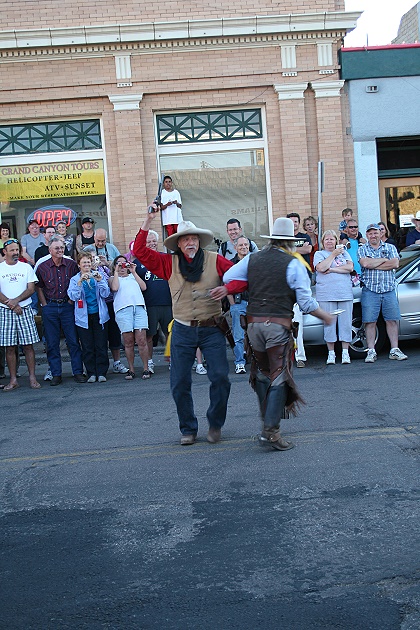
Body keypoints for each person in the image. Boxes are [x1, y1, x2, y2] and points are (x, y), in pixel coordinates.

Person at [133, 210, 246, 445]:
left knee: (220, 378)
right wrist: (148, 220)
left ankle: (215, 423)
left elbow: (242, 276)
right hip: (183, 330)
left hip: (212, 327)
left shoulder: (216, 259)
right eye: (185, 239)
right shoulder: (168, 263)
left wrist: (228, 289)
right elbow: (140, 251)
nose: (190, 242)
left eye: (193, 238)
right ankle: (188, 428)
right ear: (179, 244)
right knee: (179, 382)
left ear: (198, 241)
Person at [223, 217, 333, 451]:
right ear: (290, 243)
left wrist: (252, 283)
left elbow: (228, 278)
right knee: (279, 375)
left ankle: (268, 425)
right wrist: (325, 316)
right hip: (277, 326)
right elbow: (305, 302)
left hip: (253, 325)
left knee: (262, 374)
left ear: (272, 240)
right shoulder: (293, 264)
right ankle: (270, 432)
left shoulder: (253, 258)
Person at [36, 236, 87, 385]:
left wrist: (71, 301)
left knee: (73, 340)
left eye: (62, 247)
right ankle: (56, 374)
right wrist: (44, 304)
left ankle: (77, 371)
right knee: (52, 343)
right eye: (57, 248)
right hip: (50, 306)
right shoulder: (42, 266)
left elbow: (78, 281)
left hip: (67, 306)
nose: (60, 250)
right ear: (50, 250)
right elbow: (39, 286)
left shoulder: (71, 264)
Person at [358, 223, 407, 363]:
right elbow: (365, 264)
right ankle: (371, 351)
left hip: (389, 289)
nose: (373, 235)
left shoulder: (390, 247)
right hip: (370, 290)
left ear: (381, 234)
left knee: (392, 320)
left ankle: (394, 349)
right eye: (370, 233)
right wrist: (385, 260)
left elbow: (395, 264)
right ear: (367, 235)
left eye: (376, 233)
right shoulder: (363, 249)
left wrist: (375, 263)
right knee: (369, 321)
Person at [0, 238, 41, 391]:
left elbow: (31, 289)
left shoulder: (26, 267)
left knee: (28, 346)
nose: (16, 253)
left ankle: (32, 378)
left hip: (24, 309)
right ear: (5, 252)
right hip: (5, 311)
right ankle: (13, 379)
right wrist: (11, 305)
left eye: (17, 250)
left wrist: (16, 302)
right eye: (12, 250)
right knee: (9, 347)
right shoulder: (0, 268)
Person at [68, 252, 111, 383]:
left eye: (88, 262)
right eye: (84, 262)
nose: (86, 265)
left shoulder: (98, 275)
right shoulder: (75, 279)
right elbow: (73, 297)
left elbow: (106, 293)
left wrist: (101, 281)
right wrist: (80, 283)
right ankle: (91, 372)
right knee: (87, 346)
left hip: (99, 315)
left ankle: (102, 372)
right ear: (79, 265)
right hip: (83, 318)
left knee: (101, 345)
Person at [135, 229, 173, 374]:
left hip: (168, 303)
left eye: (153, 241)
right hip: (149, 305)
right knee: (149, 335)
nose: (151, 244)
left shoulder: (166, 258)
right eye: (148, 241)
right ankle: (149, 362)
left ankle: (173, 361)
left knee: (171, 334)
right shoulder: (137, 263)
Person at [313, 230, 354, 365]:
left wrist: (333, 269)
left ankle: (345, 352)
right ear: (323, 242)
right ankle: (331, 353)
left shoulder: (344, 253)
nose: (329, 242)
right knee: (329, 323)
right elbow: (321, 268)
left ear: (336, 241)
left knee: (345, 323)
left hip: (344, 293)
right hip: (326, 294)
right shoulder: (319, 254)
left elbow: (349, 267)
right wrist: (333, 255)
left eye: (332, 239)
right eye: (327, 239)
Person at [109, 255, 150, 380]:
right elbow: (114, 288)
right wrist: (116, 271)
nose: (122, 266)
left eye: (124, 263)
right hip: (123, 310)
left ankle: (146, 368)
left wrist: (133, 271)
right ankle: (131, 369)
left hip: (138, 308)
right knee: (128, 341)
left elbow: (144, 287)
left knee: (141, 339)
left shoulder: (133, 276)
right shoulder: (112, 278)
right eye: (119, 264)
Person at [286, 212, 312, 368]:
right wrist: (297, 249)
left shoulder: (305, 236)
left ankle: (300, 356)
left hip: (303, 282)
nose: (294, 224)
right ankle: (287, 355)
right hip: (287, 283)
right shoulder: (282, 239)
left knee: (298, 321)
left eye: (296, 221)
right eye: (291, 222)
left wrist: (291, 249)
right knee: (288, 321)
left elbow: (308, 250)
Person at [228, 235, 250, 374]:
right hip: (239, 303)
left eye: (246, 245)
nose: (244, 247)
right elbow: (226, 285)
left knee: (257, 334)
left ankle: (257, 362)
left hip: (254, 303)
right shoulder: (230, 264)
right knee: (238, 335)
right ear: (235, 247)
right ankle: (239, 363)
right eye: (241, 245)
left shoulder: (255, 262)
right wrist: (233, 304)